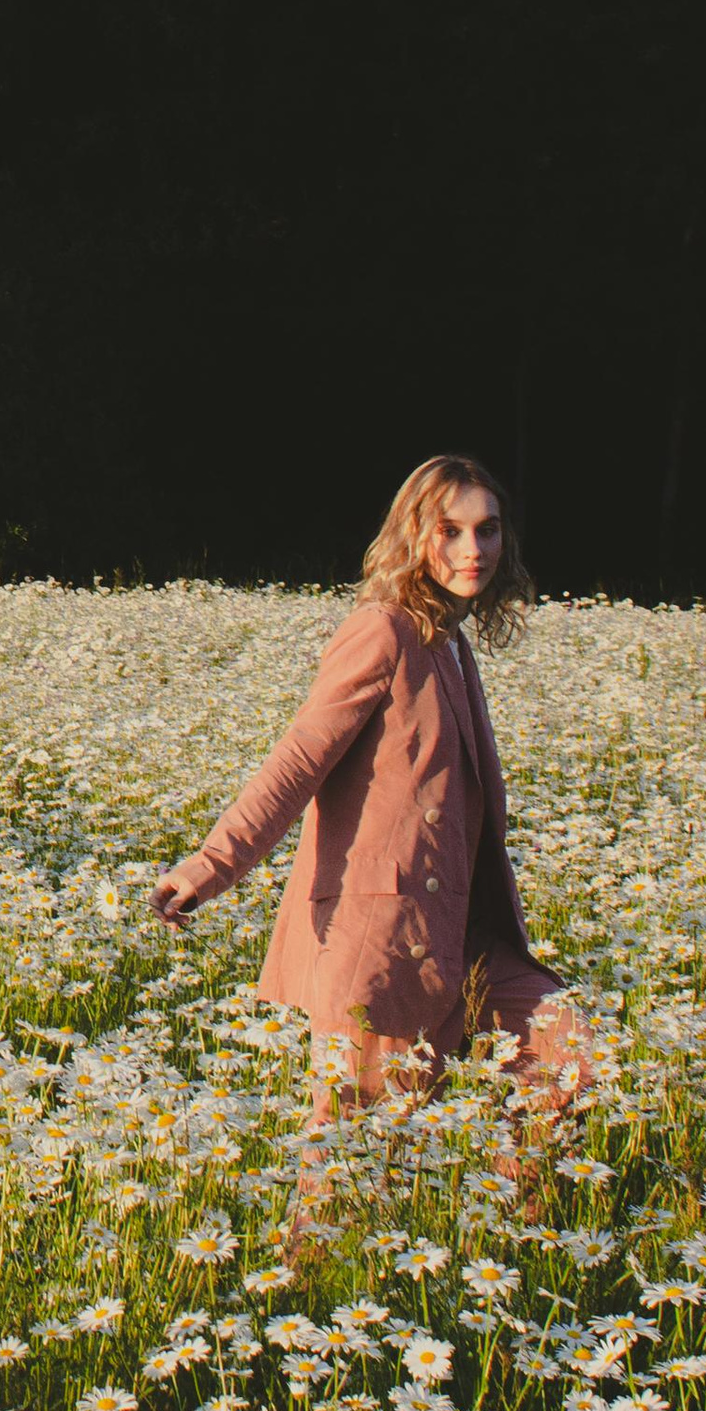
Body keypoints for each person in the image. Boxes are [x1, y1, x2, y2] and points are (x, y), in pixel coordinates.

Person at [151, 454, 592, 1167]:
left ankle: (510, 1214)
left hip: (466, 933)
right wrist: (210, 866)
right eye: (449, 530)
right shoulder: (383, 629)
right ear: (413, 535)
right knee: (356, 1147)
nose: (472, 550)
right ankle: (330, 1248)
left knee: (567, 1052)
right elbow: (300, 758)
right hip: (386, 938)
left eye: (487, 530)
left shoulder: (449, 642)